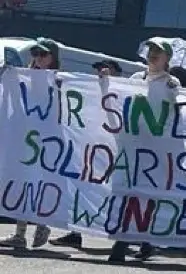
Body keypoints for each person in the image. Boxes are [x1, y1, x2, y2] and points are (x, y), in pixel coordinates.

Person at [110, 39, 180, 263]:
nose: (153, 55)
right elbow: (116, 98)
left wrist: (176, 93)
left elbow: (185, 110)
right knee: (127, 192)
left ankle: (144, 240)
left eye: (158, 52)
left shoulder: (172, 83)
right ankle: (123, 241)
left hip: (156, 150)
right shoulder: (134, 80)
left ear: (167, 58)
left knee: (148, 195)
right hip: (132, 147)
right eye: (151, 51)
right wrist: (103, 81)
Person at [50, 59, 126, 250]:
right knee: (81, 189)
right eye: (99, 69)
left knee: (116, 194)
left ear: (117, 72)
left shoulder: (125, 92)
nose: (101, 71)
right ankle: (75, 233)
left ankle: (137, 239)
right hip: (91, 151)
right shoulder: (90, 89)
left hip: (114, 152)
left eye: (106, 68)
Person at [1, 38, 60, 251]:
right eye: (35, 54)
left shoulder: (60, 80)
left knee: (40, 184)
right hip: (24, 139)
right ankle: (20, 234)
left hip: (47, 143)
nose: (37, 59)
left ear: (52, 58)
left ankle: (43, 224)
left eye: (43, 55)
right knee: (20, 182)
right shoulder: (21, 77)